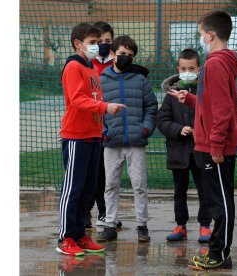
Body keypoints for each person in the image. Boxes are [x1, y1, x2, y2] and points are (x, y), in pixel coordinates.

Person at [167, 10, 237, 270]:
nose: (201, 39)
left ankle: (219, 254)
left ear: (210, 35)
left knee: (220, 202)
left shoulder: (215, 64)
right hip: (208, 144)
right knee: (215, 200)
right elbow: (211, 104)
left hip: (213, 147)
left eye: (201, 35)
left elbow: (223, 110)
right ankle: (218, 253)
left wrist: (217, 145)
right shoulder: (218, 63)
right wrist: (189, 98)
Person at [57, 22, 126, 256]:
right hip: (76, 135)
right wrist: (105, 107)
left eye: (99, 42)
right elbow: (77, 100)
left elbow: (93, 100)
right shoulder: (73, 67)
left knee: (88, 189)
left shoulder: (91, 70)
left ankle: (79, 236)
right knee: (73, 189)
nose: (98, 46)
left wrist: (101, 123)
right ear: (78, 44)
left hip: (93, 135)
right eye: (93, 43)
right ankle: (65, 237)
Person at [96, 35, 158, 242]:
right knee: (110, 185)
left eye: (130, 55)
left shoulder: (140, 80)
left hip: (136, 142)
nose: (126, 58)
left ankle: (142, 225)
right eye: (122, 54)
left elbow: (151, 106)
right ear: (112, 54)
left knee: (139, 185)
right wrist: (104, 131)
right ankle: (110, 224)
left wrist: (146, 129)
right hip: (111, 142)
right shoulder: (101, 80)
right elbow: (96, 110)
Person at [156, 48, 212, 243]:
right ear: (177, 69)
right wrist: (178, 129)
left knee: (204, 189)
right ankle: (181, 225)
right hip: (178, 151)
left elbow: (212, 116)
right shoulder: (171, 93)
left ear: (199, 69)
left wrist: (200, 130)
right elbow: (162, 120)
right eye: (183, 68)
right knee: (179, 191)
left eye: (191, 68)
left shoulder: (206, 90)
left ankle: (205, 227)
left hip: (201, 151)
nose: (187, 71)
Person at [85, 21, 123, 229]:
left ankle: (106, 212)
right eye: (99, 41)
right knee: (92, 171)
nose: (103, 45)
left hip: (112, 123)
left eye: (108, 41)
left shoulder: (116, 62)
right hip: (92, 122)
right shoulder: (87, 63)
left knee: (108, 173)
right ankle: (86, 212)